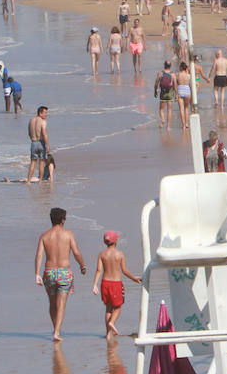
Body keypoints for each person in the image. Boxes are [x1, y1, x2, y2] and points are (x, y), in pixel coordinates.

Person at [35, 207, 87, 342]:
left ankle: (55, 329)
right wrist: (82, 265)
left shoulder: (45, 236)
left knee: (52, 304)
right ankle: (57, 332)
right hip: (64, 272)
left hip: (49, 272)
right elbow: (76, 252)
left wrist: (37, 273)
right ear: (63, 220)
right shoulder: (68, 234)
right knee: (62, 304)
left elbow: (39, 256)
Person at [92, 230, 142, 337]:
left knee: (108, 308)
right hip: (116, 284)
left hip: (105, 284)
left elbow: (98, 270)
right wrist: (134, 278)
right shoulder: (119, 254)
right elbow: (124, 270)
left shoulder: (102, 254)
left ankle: (108, 334)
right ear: (116, 241)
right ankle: (112, 323)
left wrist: (95, 284)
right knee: (118, 307)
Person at [28, 106, 50, 183]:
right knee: (41, 162)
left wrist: (33, 139)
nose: (46, 115)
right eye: (45, 113)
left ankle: (28, 181)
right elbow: (44, 134)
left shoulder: (31, 120)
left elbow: (29, 133)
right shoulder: (43, 121)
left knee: (33, 163)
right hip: (41, 143)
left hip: (33, 143)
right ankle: (40, 180)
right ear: (40, 113)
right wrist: (48, 145)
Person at [154, 61, 177, 131]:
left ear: (164, 65)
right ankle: (168, 126)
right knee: (169, 109)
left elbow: (156, 83)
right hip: (170, 92)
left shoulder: (160, 73)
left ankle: (163, 120)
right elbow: (175, 85)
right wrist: (177, 94)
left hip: (163, 93)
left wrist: (155, 91)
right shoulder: (173, 74)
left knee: (161, 109)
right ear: (170, 66)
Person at [175, 62, 195, 129]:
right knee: (186, 108)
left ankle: (183, 125)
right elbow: (192, 84)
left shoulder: (177, 75)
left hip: (180, 89)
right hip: (187, 89)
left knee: (181, 109)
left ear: (180, 67)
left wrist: (176, 93)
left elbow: (175, 84)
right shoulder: (188, 75)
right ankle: (186, 123)